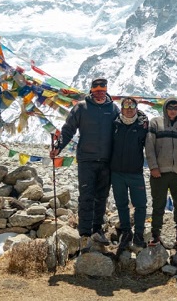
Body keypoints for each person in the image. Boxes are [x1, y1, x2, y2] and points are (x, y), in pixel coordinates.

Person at [50, 77, 118, 251]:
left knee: (102, 197)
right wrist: (58, 147)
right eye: (97, 91)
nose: (100, 93)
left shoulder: (113, 109)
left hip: (107, 160)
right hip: (86, 160)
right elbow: (68, 129)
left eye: (103, 90)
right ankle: (84, 233)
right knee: (86, 196)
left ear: (106, 90)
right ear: (91, 91)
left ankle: (97, 230)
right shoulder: (81, 108)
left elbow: (120, 133)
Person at [145, 97, 177, 246]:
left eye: (175, 108)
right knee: (158, 204)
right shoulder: (155, 123)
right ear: (165, 109)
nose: (173, 111)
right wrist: (153, 167)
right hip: (159, 172)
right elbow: (149, 146)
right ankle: (156, 235)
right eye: (170, 108)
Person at [110, 96, 149, 252]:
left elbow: (152, 145)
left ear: (136, 108)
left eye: (132, 107)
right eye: (126, 107)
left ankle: (138, 233)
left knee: (140, 204)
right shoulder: (114, 124)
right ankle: (126, 231)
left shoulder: (143, 125)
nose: (129, 109)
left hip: (135, 172)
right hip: (117, 172)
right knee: (121, 204)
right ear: (121, 109)